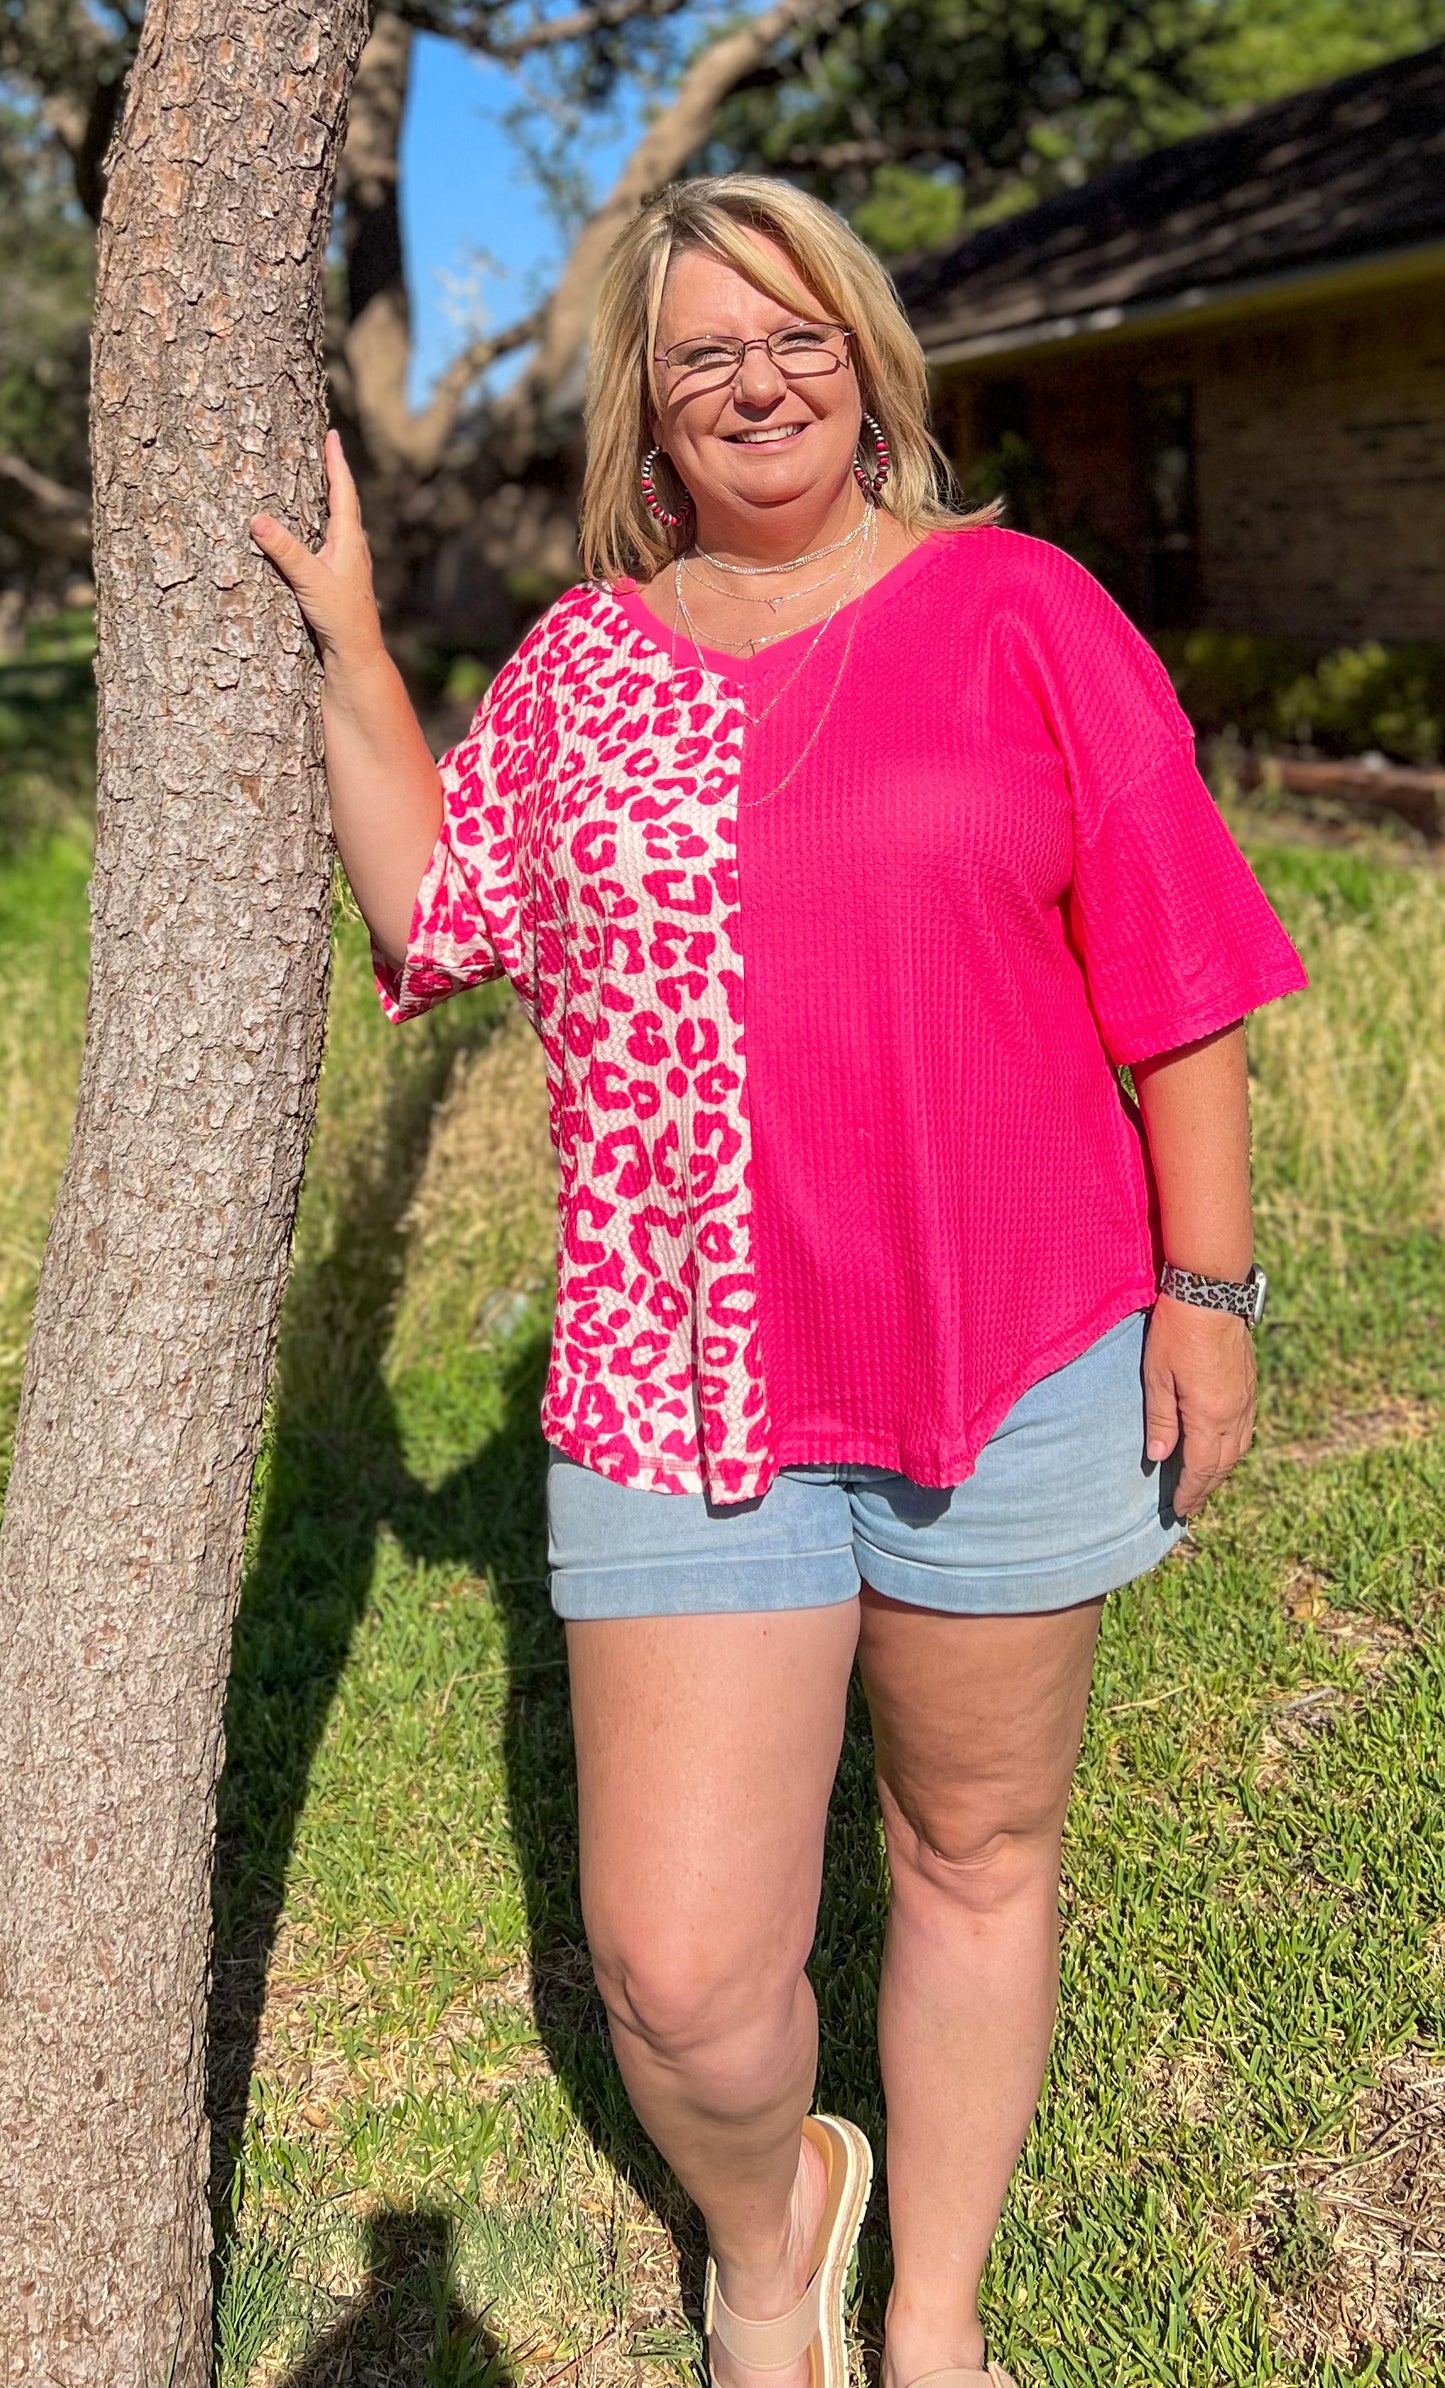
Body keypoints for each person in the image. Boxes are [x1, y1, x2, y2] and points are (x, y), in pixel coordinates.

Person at [253, 173, 1306, 2388]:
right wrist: (355, 650)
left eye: (796, 333)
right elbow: (436, 914)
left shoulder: (1023, 609)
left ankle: (929, 2320)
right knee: (683, 1976)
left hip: (1018, 1348)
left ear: (868, 358)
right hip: (678, 1386)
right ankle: (776, 2222)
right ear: (648, 404)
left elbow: (1179, 986)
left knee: (976, 1846)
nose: (757, 379)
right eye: (704, 349)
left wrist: (1209, 1293)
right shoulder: (584, 671)